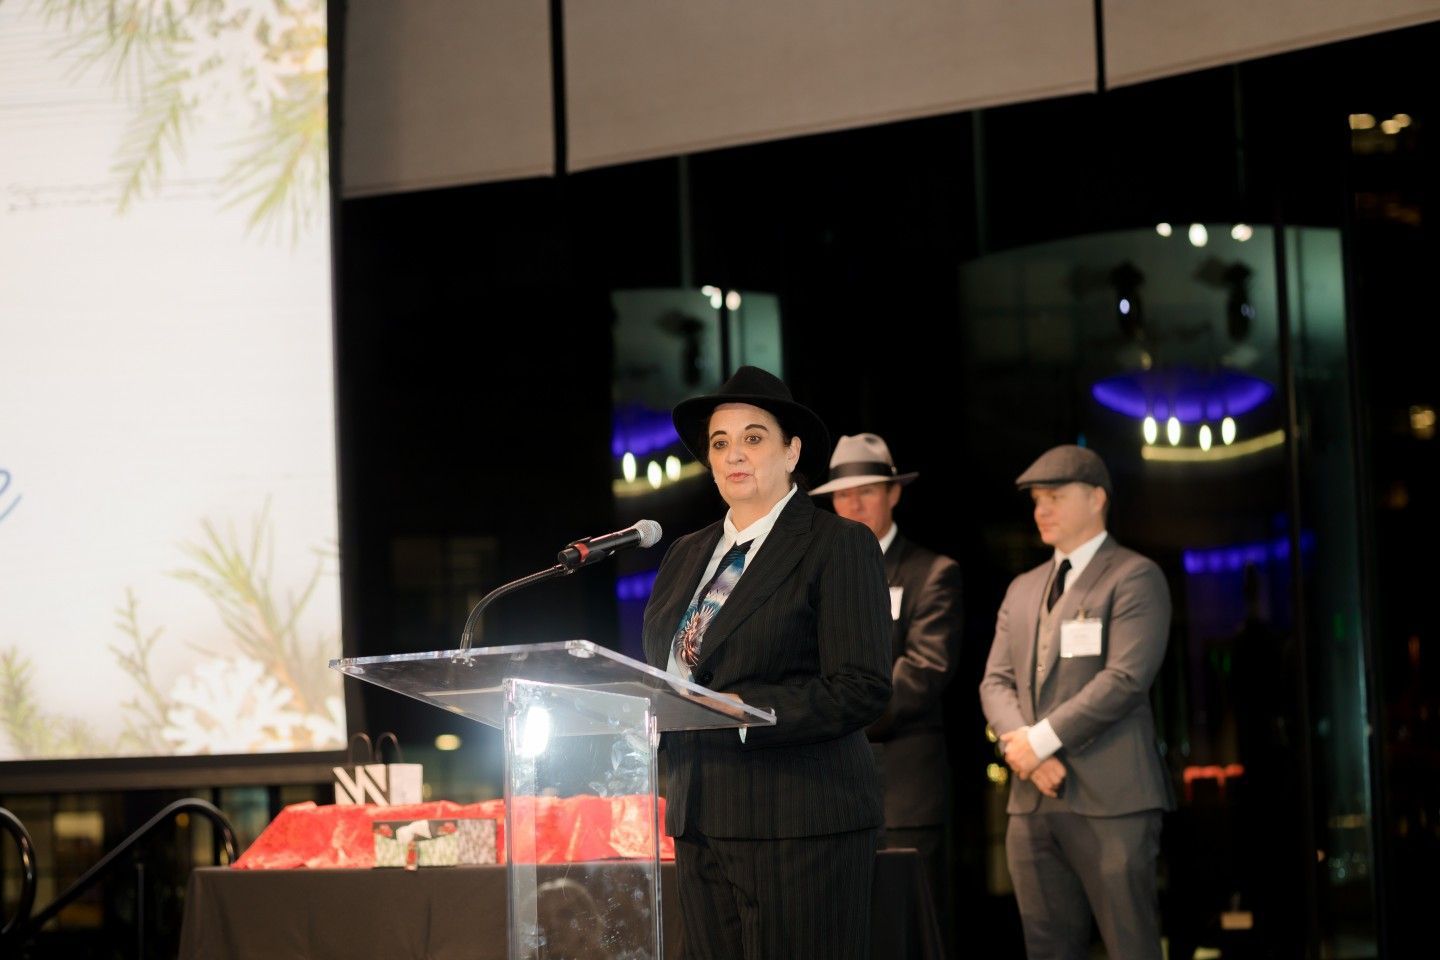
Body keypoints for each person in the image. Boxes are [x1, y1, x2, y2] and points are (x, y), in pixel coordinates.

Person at [642, 365, 892, 960]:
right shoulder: (686, 554)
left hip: (799, 821)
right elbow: (674, 671)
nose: (735, 455)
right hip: (698, 816)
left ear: (792, 451)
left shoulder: (839, 545)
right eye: (720, 443)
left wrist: (743, 713)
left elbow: (861, 686)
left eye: (754, 438)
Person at [978, 444, 1174, 960]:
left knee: (1130, 944)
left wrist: (1037, 742)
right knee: (1046, 947)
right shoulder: (1022, 588)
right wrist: (1024, 749)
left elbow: (1126, 679)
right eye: (1037, 500)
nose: (1041, 510)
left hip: (1114, 799)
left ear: (1096, 499)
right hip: (1031, 803)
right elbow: (993, 683)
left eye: (1055, 497)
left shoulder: (1134, 576)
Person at [810, 432, 962, 910]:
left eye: (867, 490)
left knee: (911, 930)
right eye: (842, 493)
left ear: (894, 493)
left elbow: (924, 671)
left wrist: (833, 715)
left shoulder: (932, 572)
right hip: (827, 793)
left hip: (901, 794)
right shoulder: (815, 579)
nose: (853, 503)